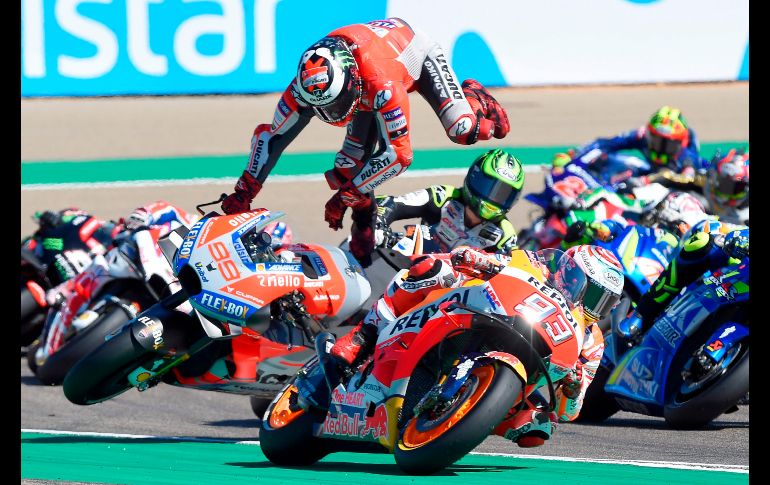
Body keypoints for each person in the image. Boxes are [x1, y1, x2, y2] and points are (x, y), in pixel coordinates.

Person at [220, 17, 510, 261]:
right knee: (348, 167)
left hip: (412, 55)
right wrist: (244, 191)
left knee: (464, 130)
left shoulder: (380, 83)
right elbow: (272, 136)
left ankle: (471, 96)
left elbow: (399, 156)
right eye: (320, 108)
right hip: (367, 81)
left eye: (334, 104)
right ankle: (363, 238)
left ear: (352, 81)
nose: (329, 114)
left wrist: (344, 196)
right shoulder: (304, 85)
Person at [330, 243, 624, 447]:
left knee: (537, 428)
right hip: (475, 314)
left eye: (604, 302)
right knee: (426, 270)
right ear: (570, 273)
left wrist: (572, 388)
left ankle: (454, 420)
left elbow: (571, 410)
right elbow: (490, 261)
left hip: (522, 372)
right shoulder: (536, 265)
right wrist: (473, 258)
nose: (593, 307)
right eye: (593, 293)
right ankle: (363, 336)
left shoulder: (592, 341)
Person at [373, 148, 524, 254]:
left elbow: (513, 269)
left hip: (453, 293)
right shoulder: (443, 196)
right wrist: (379, 226)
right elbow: (390, 204)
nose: (492, 198)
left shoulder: (506, 235)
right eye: (488, 187)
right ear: (474, 177)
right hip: (410, 268)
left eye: (503, 195)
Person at [617, 219, 749, 339]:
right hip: (740, 272)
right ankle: (642, 315)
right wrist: (740, 238)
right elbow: (720, 230)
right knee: (702, 242)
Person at [557, 106, 707, 186]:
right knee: (616, 163)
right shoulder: (640, 135)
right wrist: (576, 154)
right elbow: (605, 143)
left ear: (681, 142)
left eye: (668, 144)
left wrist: (650, 180)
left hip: (675, 187)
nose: (661, 147)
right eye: (656, 140)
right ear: (648, 133)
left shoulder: (688, 157)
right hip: (649, 176)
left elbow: (687, 178)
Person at [703, 148, 749, 226]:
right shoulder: (703, 188)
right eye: (726, 185)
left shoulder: (745, 213)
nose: (729, 197)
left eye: (737, 188)